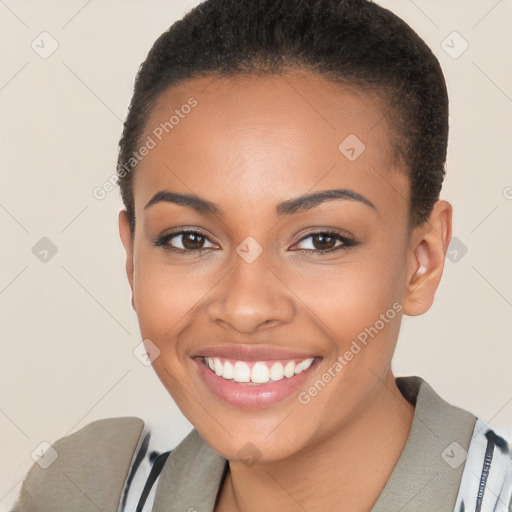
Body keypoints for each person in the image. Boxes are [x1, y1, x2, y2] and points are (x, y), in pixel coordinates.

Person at [12, 0, 512, 511]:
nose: (247, 309)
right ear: (133, 261)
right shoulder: (86, 492)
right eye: (190, 239)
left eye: (322, 240)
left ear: (421, 261)